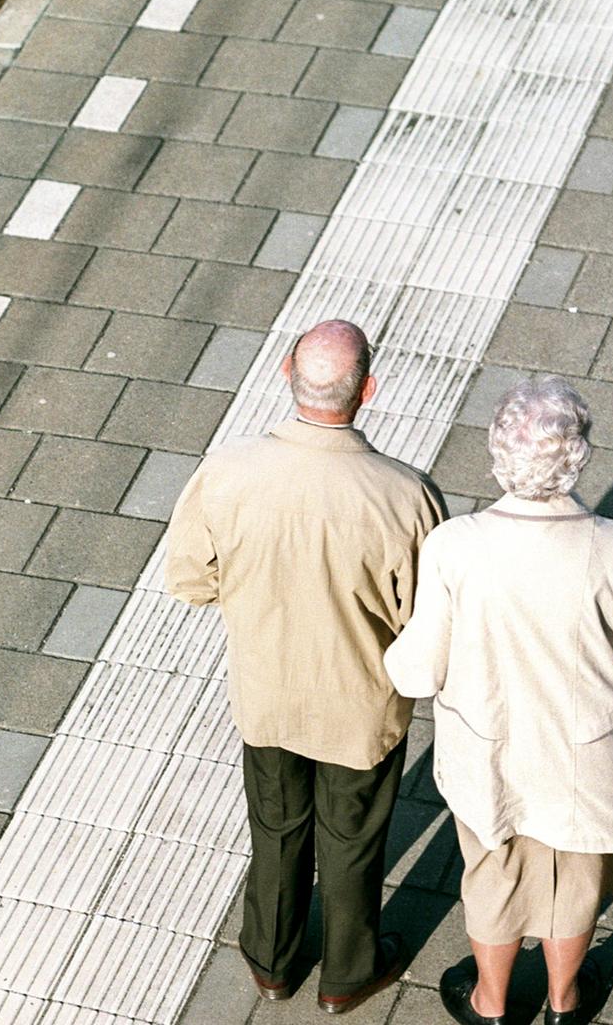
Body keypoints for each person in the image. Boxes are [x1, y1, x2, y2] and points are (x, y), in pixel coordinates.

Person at [384, 376, 613, 1025]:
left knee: (492, 877)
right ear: (578, 456)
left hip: (485, 757)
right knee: (576, 885)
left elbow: (415, 671)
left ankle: (491, 1005)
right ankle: (563, 1001)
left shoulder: (453, 547)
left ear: (497, 453)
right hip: (585, 760)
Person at [166, 319, 447, 1013]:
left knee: (276, 825)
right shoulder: (407, 496)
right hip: (360, 708)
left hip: (266, 696)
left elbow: (190, 582)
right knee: (352, 838)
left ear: (286, 376)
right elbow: (430, 619)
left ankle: (271, 960)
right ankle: (349, 972)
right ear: (369, 390)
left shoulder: (226, 472)